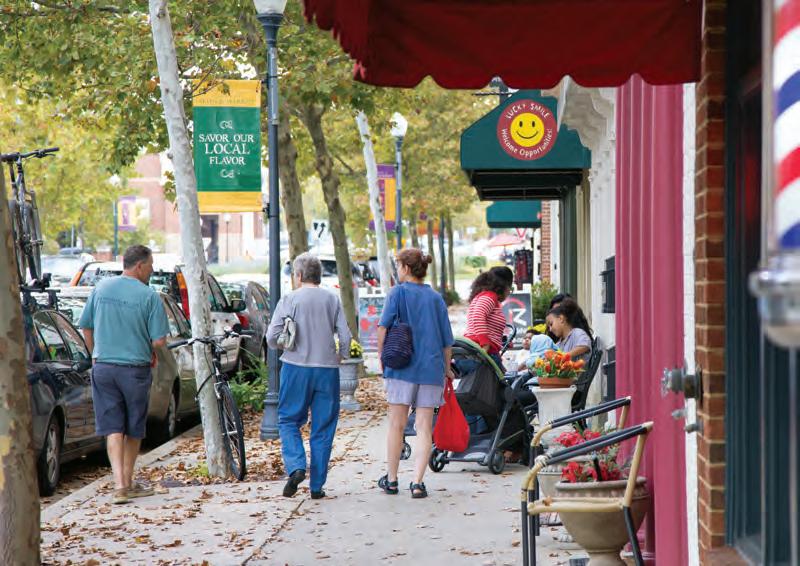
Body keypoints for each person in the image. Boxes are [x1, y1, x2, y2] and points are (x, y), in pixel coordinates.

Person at [79, 245, 170, 505]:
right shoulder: (149, 296)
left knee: (112, 428)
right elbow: (159, 341)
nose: (152, 270)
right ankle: (127, 483)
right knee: (134, 427)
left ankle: (119, 484)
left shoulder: (101, 288)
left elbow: (86, 326)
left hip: (103, 367)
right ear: (139, 266)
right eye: (150, 265)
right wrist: (151, 349)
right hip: (134, 370)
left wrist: (95, 355)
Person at [266, 252, 351, 500]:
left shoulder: (289, 299)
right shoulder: (332, 299)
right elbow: (345, 335)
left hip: (295, 368)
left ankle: (296, 466)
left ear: (300, 275)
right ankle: (316, 486)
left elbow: (271, 337)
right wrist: (341, 355)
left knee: (288, 420)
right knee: (323, 426)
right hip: (327, 370)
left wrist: (283, 346)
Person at [377, 248, 454, 499]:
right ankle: (418, 483)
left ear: (406, 268)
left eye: (398, 266)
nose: (397, 270)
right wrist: (447, 369)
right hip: (431, 369)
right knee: (423, 427)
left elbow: (383, 328)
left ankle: (391, 479)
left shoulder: (397, 293)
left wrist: (382, 359)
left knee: (396, 425)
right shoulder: (436, 299)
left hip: (401, 367)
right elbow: (447, 342)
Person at [464, 271, 511, 370]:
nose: (509, 292)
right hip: (482, 352)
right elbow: (478, 317)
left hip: (476, 350)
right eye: (510, 287)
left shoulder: (482, 297)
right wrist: (485, 344)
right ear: (501, 287)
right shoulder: (489, 297)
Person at [546, 299, 593, 365]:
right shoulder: (559, 343)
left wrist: (565, 356)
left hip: (577, 371)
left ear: (561, 319)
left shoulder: (577, 332)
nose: (550, 329)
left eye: (551, 324)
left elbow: (585, 345)